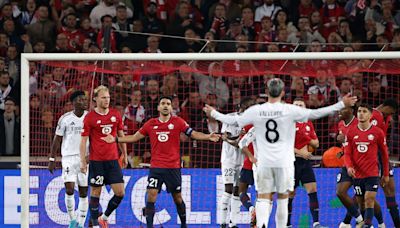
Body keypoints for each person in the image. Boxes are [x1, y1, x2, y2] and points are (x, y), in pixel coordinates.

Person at [203, 78, 357, 228]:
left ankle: (261, 225)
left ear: (266, 92)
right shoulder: (290, 110)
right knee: (282, 199)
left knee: (264, 199)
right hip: (284, 162)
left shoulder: (257, 110)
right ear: (283, 92)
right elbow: (317, 113)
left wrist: (214, 113)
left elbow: (233, 120)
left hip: (264, 162)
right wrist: (342, 103)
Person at [101, 95, 220, 228]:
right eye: (163, 103)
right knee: (151, 195)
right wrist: (116, 139)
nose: (165, 106)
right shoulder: (151, 123)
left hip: (173, 167)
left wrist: (208, 136)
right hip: (156, 167)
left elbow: (193, 134)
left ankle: (184, 225)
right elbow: (134, 137)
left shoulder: (178, 122)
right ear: (158, 107)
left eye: (168, 104)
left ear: (171, 107)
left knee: (178, 198)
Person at [80, 85, 128, 228]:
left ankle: (104, 217)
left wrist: (124, 154)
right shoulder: (90, 117)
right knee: (96, 192)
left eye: (108, 97)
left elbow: (121, 135)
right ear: (95, 99)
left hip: (113, 161)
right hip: (97, 161)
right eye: (103, 97)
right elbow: (83, 141)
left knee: (120, 193)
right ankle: (95, 225)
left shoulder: (115, 115)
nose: (106, 100)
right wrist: (83, 161)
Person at [344, 104, 390, 228]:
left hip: (372, 173)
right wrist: (349, 167)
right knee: (361, 203)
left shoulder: (377, 132)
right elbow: (347, 153)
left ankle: (367, 225)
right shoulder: (351, 131)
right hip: (357, 174)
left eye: (364, 111)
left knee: (369, 198)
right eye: (359, 111)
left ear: (370, 115)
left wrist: (386, 174)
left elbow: (385, 155)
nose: (361, 114)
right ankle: (380, 224)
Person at [48, 91, 88, 228]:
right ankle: (72, 221)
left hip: (85, 159)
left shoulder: (90, 117)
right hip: (68, 158)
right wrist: (52, 158)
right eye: (81, 99)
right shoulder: (65, 118)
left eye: (85, 99)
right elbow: (57, 139)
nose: (84, 101)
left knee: (83, 192)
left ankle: (81, 224)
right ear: (74, 102)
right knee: (70, 189)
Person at [288, 98, 327, 228]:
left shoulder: (308, 123)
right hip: (290, 162)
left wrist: (309, 145)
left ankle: (316, 223)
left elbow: (316, 143)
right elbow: (282, 145)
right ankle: (287, 224)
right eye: (296, 105)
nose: (299, 106)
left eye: (301, 105)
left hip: (304, 163)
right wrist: (300, 152)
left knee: (313, 190)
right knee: (290, 193)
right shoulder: (287, 122)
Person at [219, 97, 254, 228]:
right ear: (241, 107)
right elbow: (225, 137)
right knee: (228, 189)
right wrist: (239, 140)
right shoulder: (229, 118)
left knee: (237, 191)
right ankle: (222, 223)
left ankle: (233, 223)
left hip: (242, 160)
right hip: (228, 159)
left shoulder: (250, 122)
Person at [370, 99, 400, 228]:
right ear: (386, 107)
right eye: (391, 111)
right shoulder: (373, 115)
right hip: (372, 158)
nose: (391, 114)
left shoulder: (386, 117)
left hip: (383, 157)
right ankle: (348, 221)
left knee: (390, 189)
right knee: (367, 192)